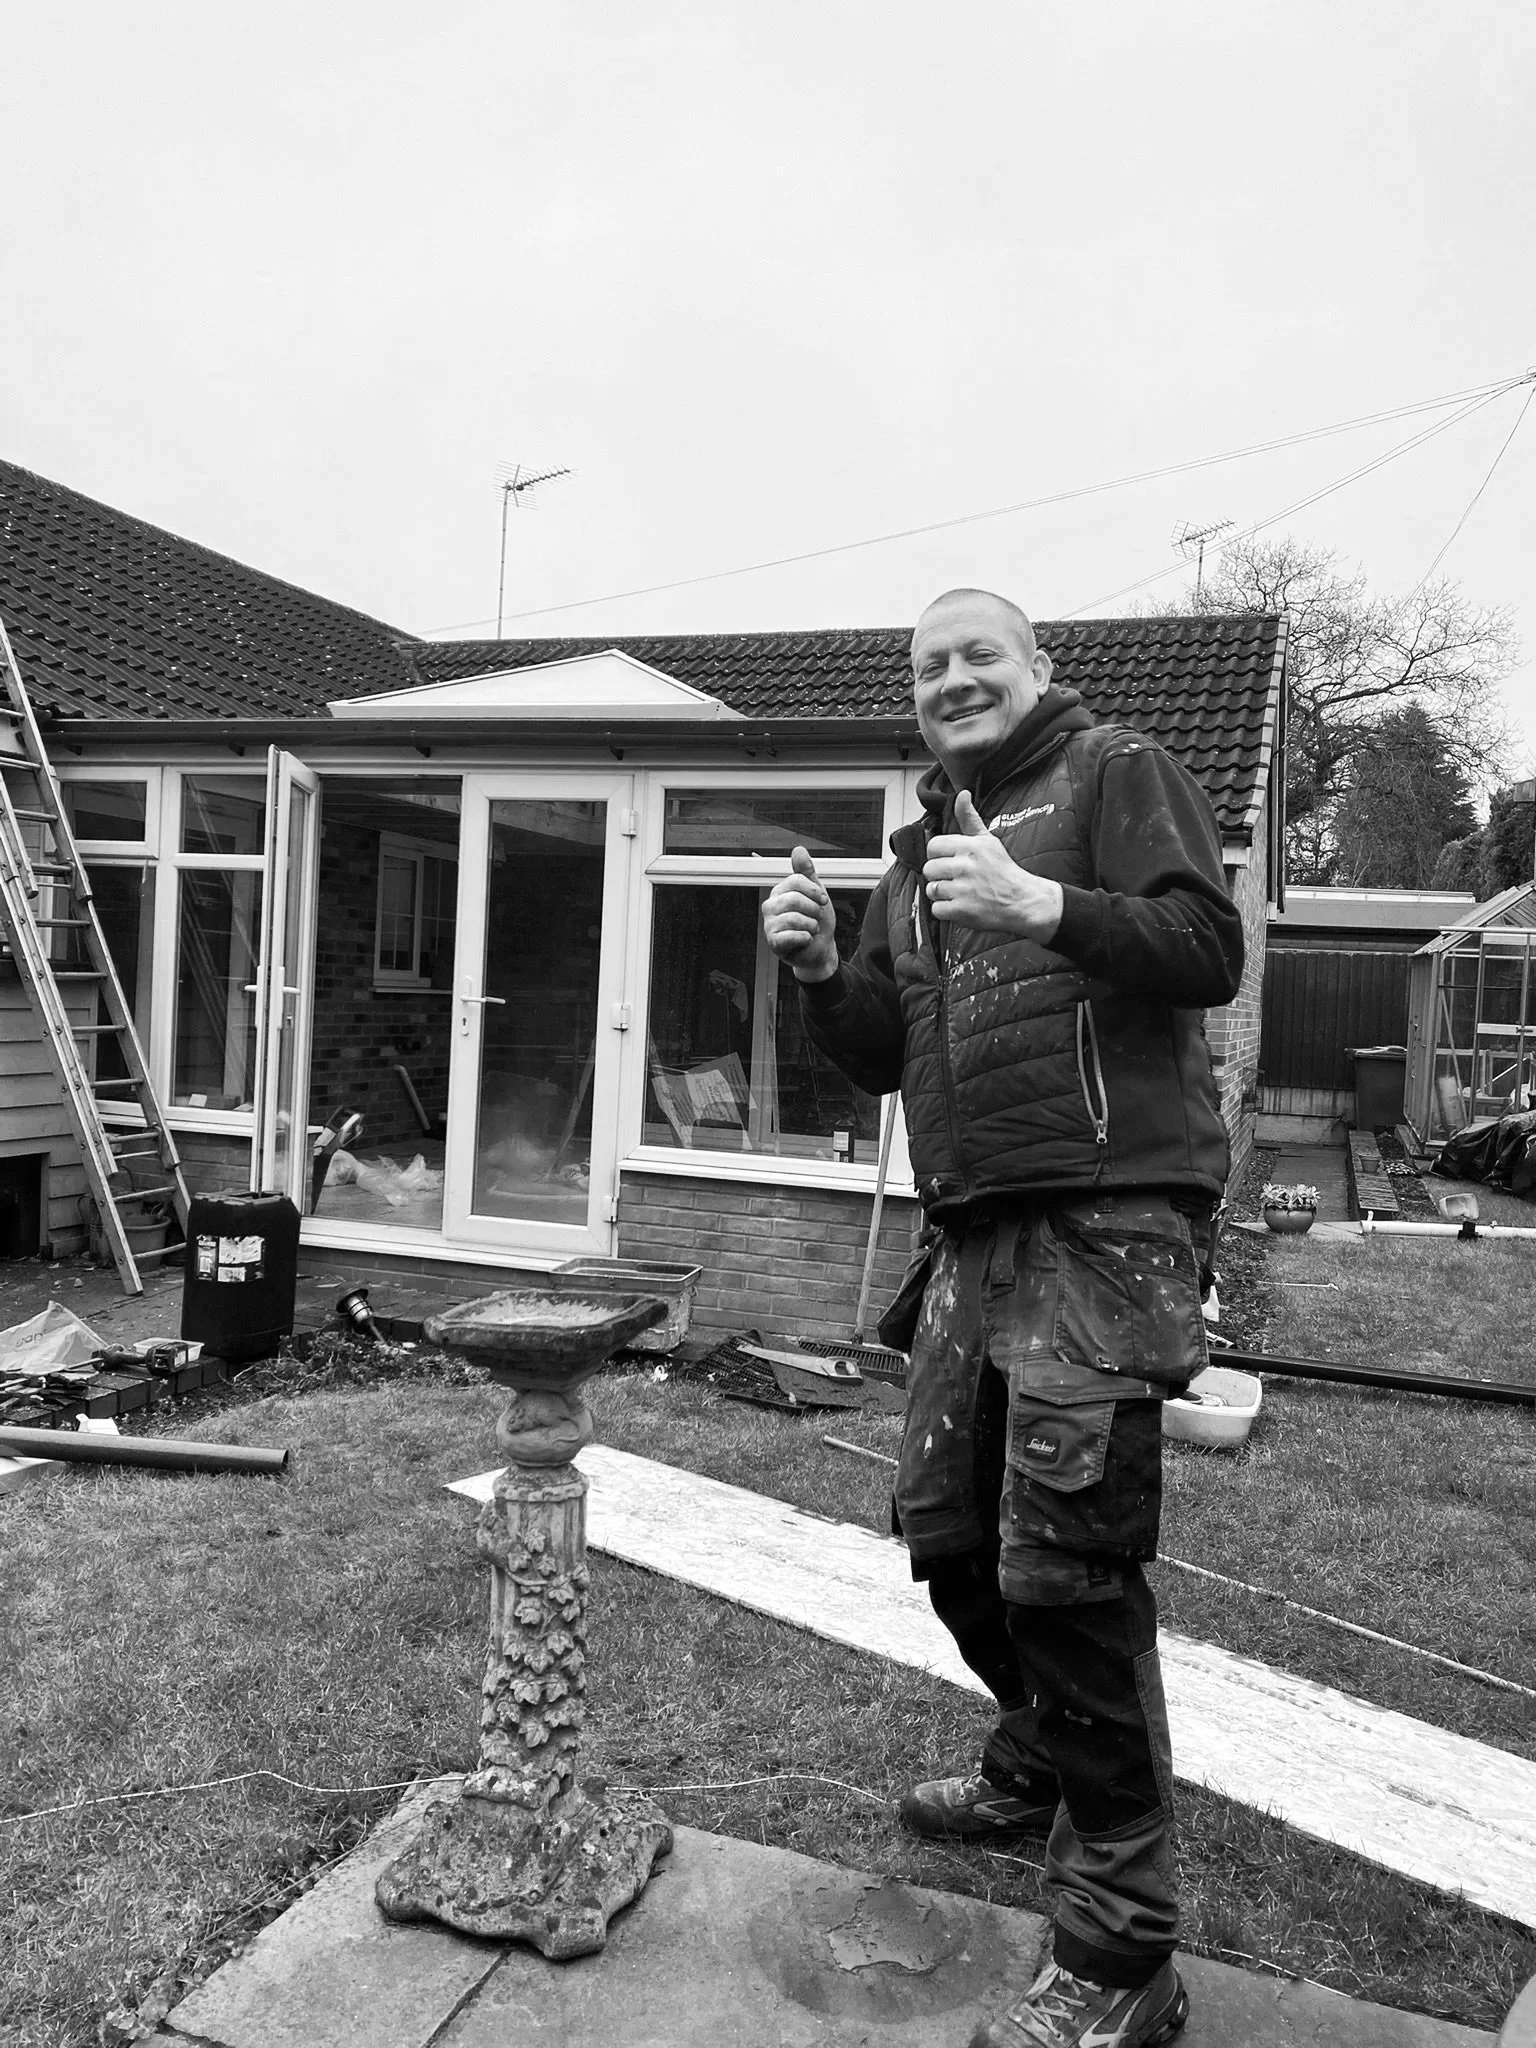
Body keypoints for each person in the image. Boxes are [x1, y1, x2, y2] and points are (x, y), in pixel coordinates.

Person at [762, 588, 1242, 2048]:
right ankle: (1038, 1753)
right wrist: (817, 974)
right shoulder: (917, 857)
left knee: (1068, 1572)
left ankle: (1122, 1954)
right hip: (975, 1230)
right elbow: (883, 1064)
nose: (952, 679)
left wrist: (1047, 905)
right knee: (952, 1535)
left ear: (1040, 669)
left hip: (1108, 1221)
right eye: (928, 666)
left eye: (981, 654)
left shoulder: (1116, 772)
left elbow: (1207, 946)